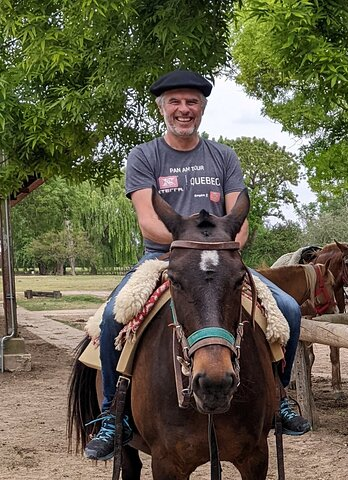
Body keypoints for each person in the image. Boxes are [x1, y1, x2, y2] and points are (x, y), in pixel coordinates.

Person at [84, 69, 309, 462]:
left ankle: (281, 398)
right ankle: (111, 417)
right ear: (163, 108)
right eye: (175, 102)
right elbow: (147, 220)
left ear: (202, 108)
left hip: (221, 260)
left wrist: (222, 247)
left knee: (288, 309)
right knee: (110, 319)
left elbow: (239, 223)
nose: (183, 109)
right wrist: (186, 247)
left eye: (192, 102)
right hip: (163, 257)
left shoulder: (223, 156)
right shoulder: (144, 156)